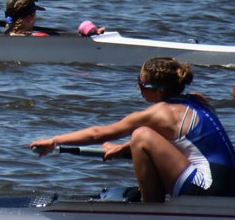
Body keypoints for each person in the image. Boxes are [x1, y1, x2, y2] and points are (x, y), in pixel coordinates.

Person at [30, 57, 235, 203]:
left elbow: (97, 134)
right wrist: (125, 147)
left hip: (207, 188)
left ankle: (150, 207)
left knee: (141, 135)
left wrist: (55, 141)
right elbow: (181, 141)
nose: (138, 88)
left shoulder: (159, 113)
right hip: (229, 186)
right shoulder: (198, 100)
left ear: (159, 91)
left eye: (141, 84)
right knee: (141, 139)